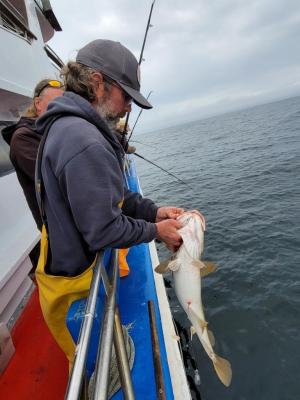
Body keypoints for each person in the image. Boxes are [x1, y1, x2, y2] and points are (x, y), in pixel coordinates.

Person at [34, 39, 184, 365]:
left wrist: (154, 211)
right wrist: (157, 230)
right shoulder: (83, 139)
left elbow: (115, 195)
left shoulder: (71, 127)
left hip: (73, 268)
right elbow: (103, 230)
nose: (129, 106)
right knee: (93, 364)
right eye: (126, 95)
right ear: (97, 83)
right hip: (78, 288)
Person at [2, 79, 64, 231]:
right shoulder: (23, 138)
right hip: (56, 229)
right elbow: (52, 178)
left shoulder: (51, 130)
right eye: (56, 103)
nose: (63, 109)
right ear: (38, 103)